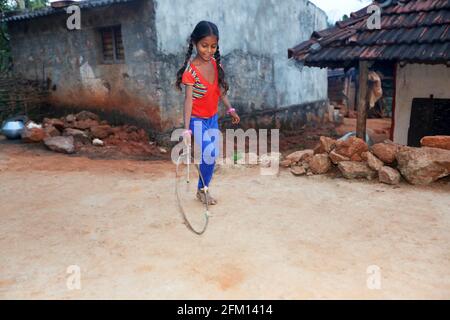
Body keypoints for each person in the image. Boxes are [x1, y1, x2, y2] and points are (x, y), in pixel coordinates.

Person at [176, 20, 240, 206]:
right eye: (204, 46)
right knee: (210, 153)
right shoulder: (191, 71)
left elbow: (219, 90)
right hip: (197, 120)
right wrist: (186, 130)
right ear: (195, 43)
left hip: (212, 119)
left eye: (213, 46)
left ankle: (201, 189)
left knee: (211, 155)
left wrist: (230, 108)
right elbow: (188, 100)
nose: (209, 50)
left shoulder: (215, 65)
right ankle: (203, 190)